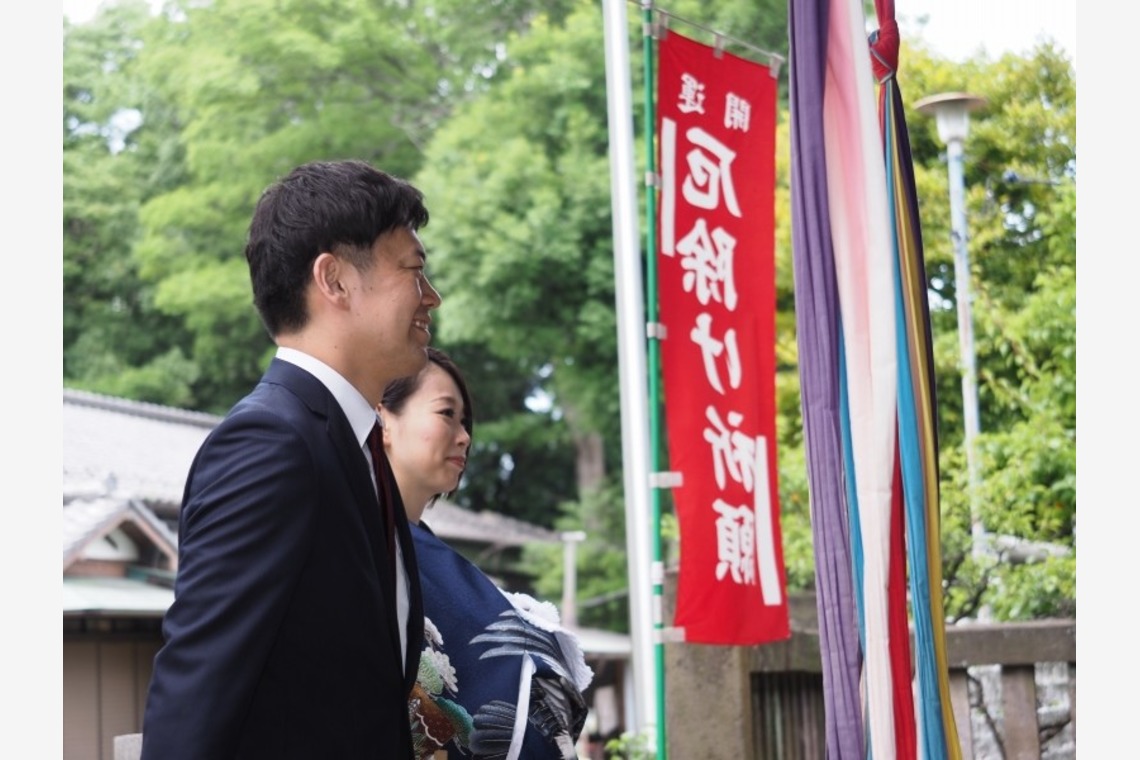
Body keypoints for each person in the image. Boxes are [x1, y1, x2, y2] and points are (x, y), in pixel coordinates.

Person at [140, 159, 441, 759]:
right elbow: (197, 688)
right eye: (413, 271)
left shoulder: (355, 447)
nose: (430, 297)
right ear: (333, 280)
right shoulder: (269, 444)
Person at [379, 347, 593, 760]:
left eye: (466, 422)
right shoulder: (358, 544)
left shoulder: (425, 554)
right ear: (384, 419)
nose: (464, 436)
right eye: (446, 414)